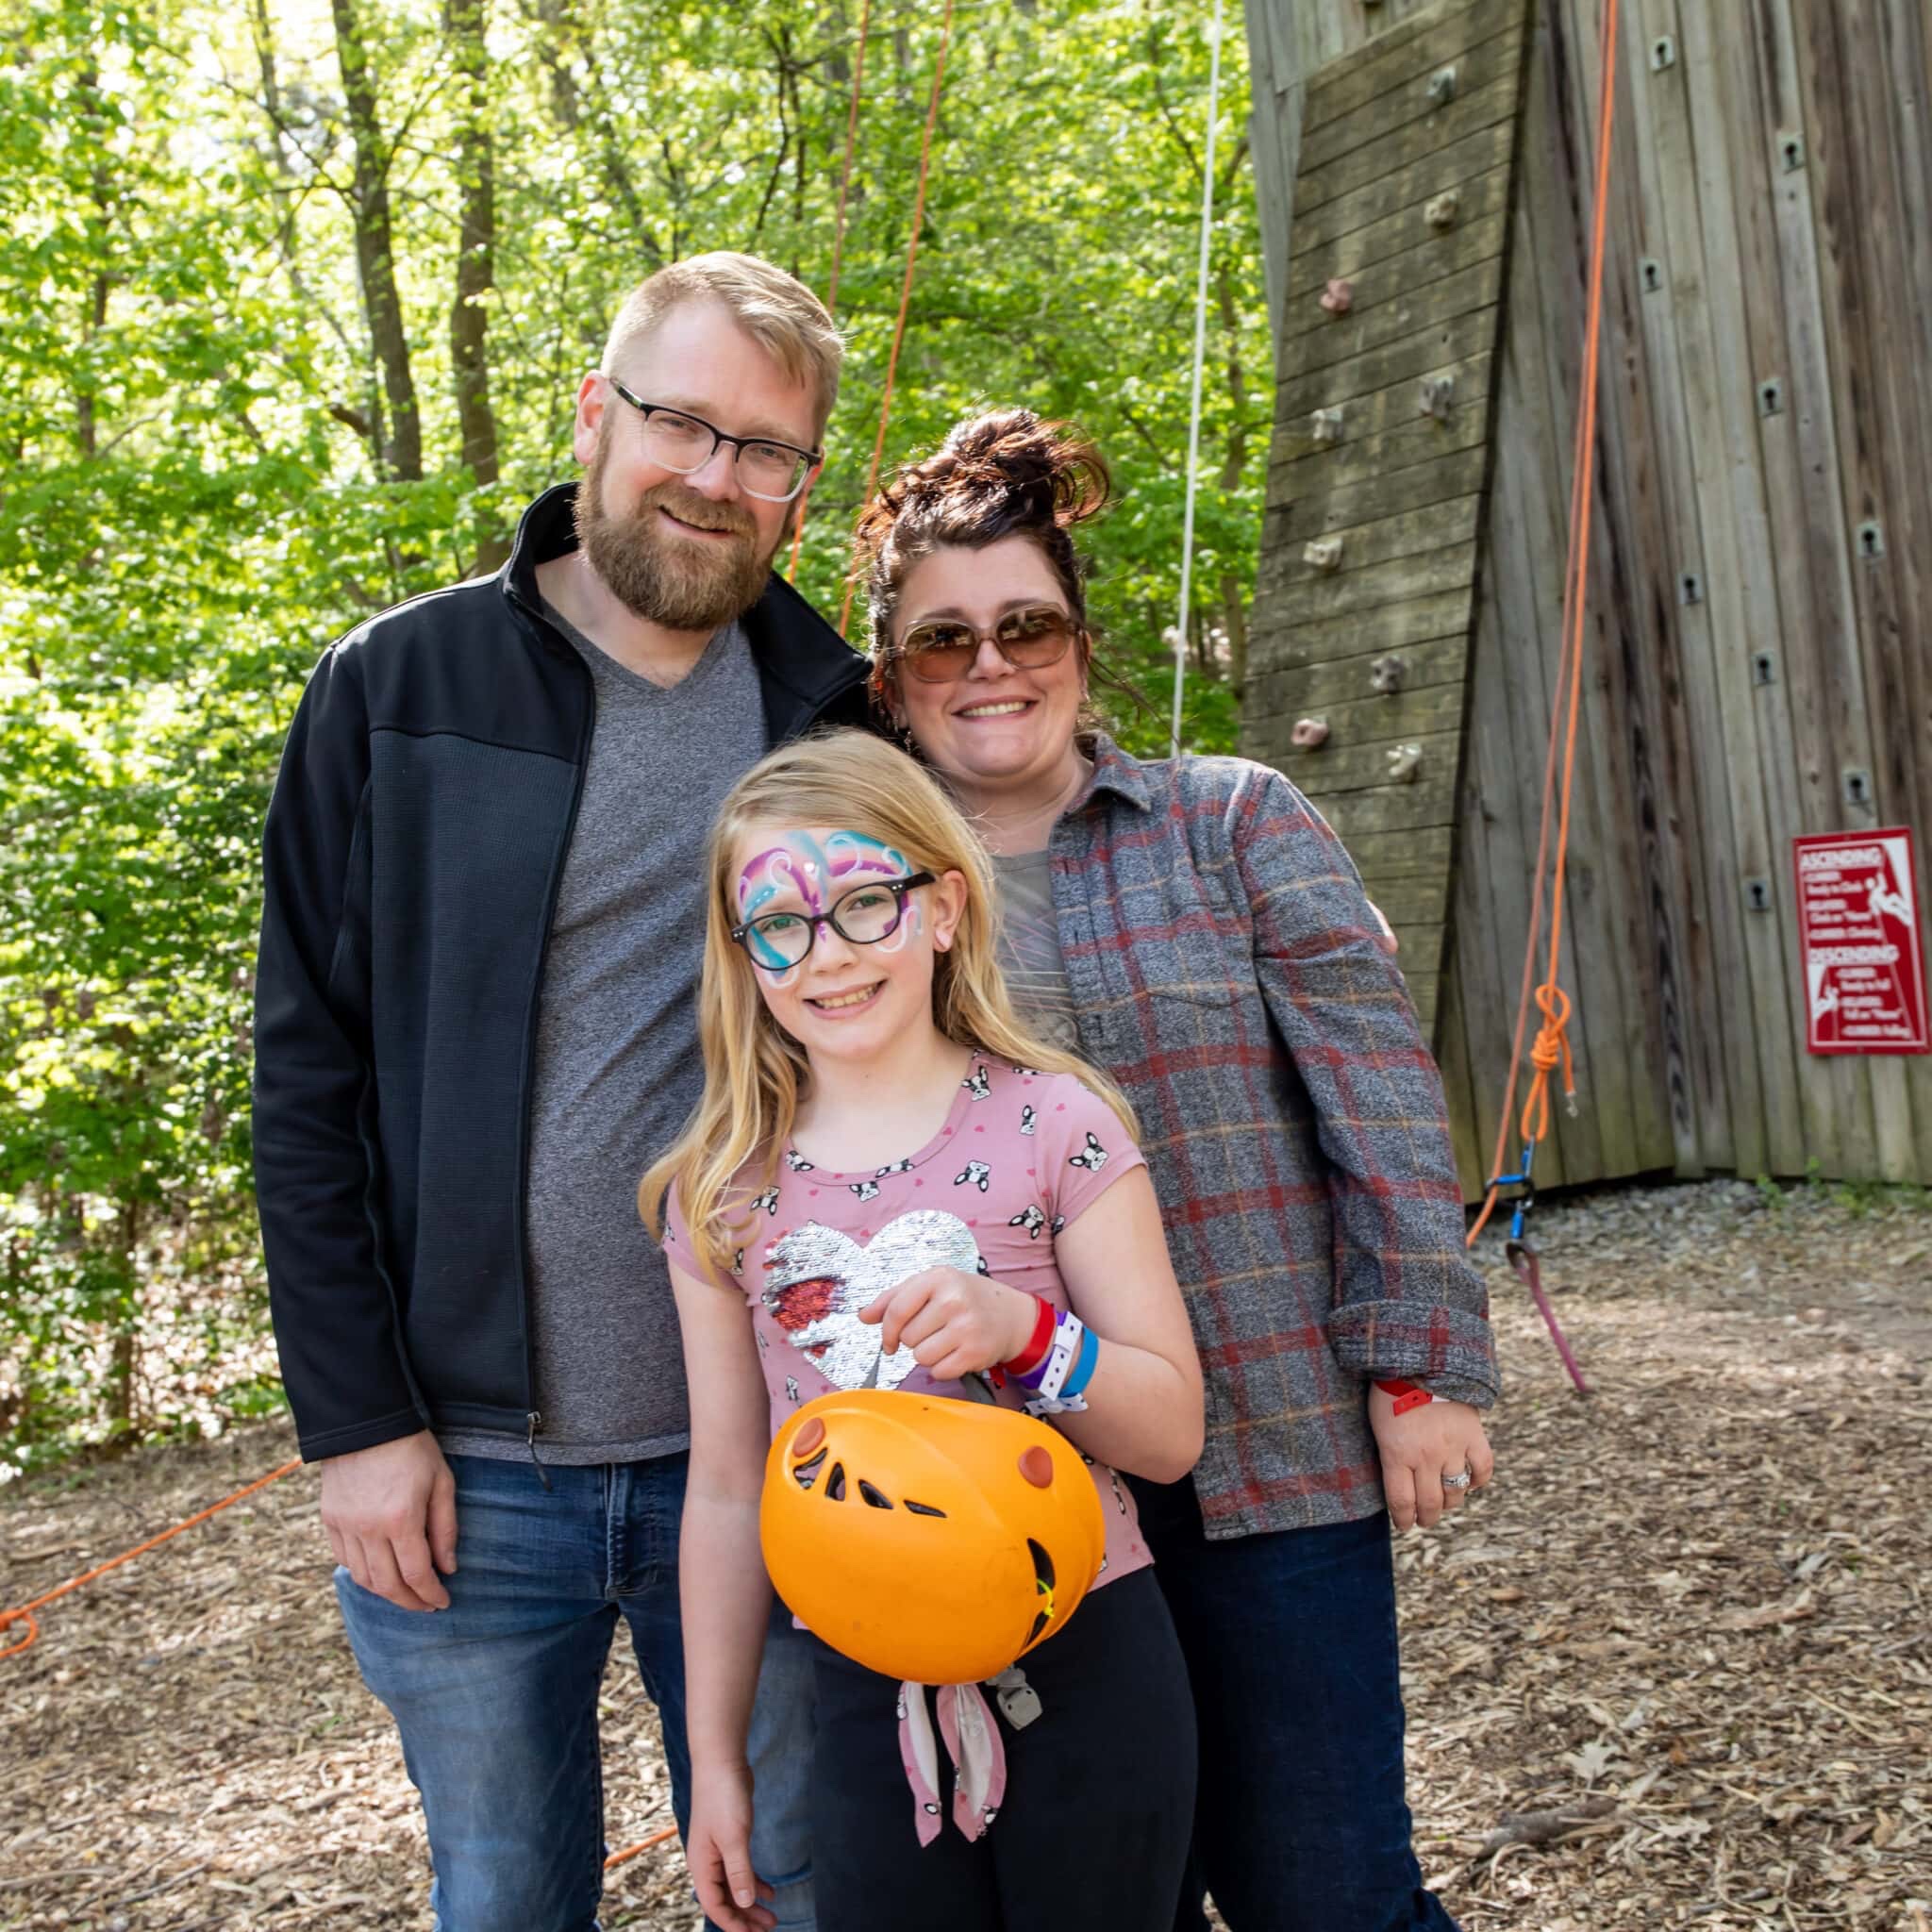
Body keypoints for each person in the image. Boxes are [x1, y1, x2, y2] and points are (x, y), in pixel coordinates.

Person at [251, 252, 867, 1932]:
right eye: (684, 423)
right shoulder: (396, 690)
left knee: (796, 1885)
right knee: (510, 1895)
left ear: (801, 491)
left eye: (767, 452)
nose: (717, 476)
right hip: (468, 1459)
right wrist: (358, 1423)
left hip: (784, 1432)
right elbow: (302, 1074)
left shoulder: (834, 715)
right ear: (597, 415)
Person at [854, 409, 1503, 1932]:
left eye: (1024, 624)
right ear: (889, 686)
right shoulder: (862, 903)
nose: (989, 663)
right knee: (1112, 1898)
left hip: (1270, 1456)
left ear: (1081, 645)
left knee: (1325, 1889)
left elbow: (1378, 1097)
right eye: (941, 642)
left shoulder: (1230, 821)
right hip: (1017, 1501)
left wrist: (1420, 1364)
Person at [642, 730, 1204, 1932]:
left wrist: (1021, 1329)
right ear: (742, 956)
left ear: (943, 906)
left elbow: (1169, 1434)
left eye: (863, 902)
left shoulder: (1058, 1122)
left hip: (1088, 1653)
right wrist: (717, 1761)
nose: (825, 954)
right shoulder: (723, 1195)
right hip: (856, 1689)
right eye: (778, 923)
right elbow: (728, 1490)